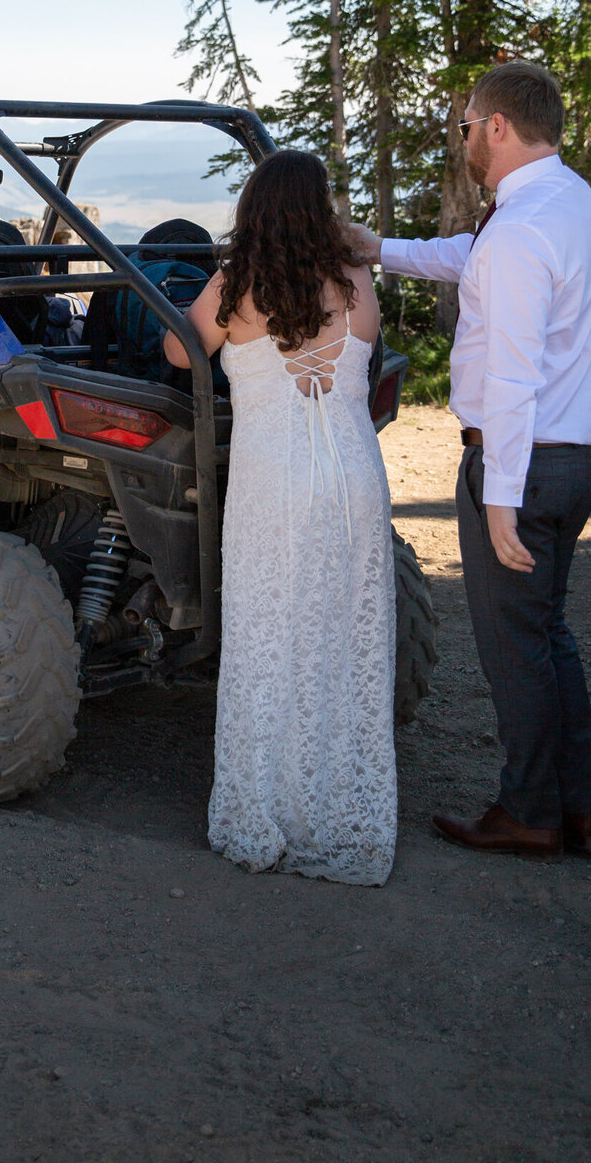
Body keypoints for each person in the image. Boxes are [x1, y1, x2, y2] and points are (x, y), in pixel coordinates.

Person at [351, 61, 591, 862]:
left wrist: (498, 501)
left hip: (520, 466)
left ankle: (528, 812)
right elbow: (472, 257)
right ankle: (579, 809)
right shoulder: (570, 203)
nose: (465, 138)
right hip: (573, 460)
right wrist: (379, 248)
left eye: (467, 125)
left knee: (513, 651)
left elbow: (510, 375)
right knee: (548, 634)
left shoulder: (522, 230)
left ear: (496, 126)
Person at [163, 150, 396, 884]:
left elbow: (176, 350)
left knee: (270, 639)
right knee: (342, 641)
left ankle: (268, 808)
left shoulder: (237, 287)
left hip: (274, 484)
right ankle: (338, 808)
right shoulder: (357, 282)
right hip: (355, 479)